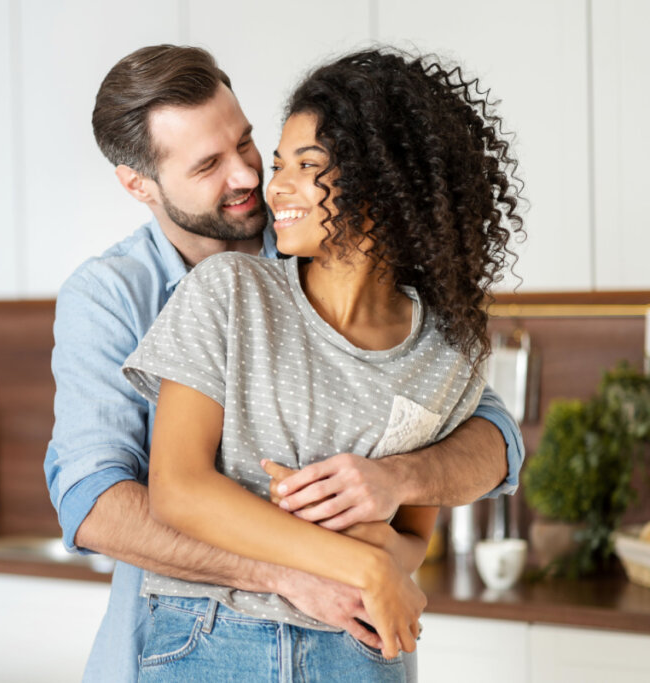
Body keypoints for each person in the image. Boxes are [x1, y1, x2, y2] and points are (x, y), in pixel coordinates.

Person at [44, 44, 524, 682]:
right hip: (198, 637)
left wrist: (397, 486)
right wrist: (307, 572)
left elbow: (488, 440)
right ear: (140, 184)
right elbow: (97, 502)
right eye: (210, 164)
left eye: (246, 145)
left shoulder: (338, 249)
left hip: (357, 643)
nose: (250, 180)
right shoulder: (116, 295)